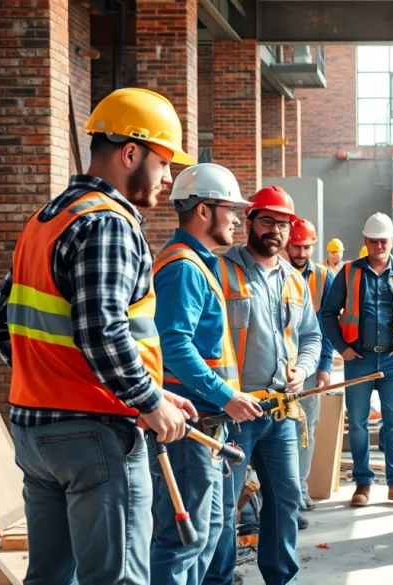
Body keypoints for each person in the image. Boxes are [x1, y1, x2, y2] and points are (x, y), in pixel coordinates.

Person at [0, 87, 198, 585]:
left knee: (50, 577)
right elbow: (102, 329)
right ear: (131, 152)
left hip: (36, 435)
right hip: (96, 437)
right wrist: (148, 401)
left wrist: (63, 381)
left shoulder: (46, 221)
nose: (169, 178)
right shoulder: (109, 224)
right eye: (166, 163)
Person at [149, 163, 262, 584]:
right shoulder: (183, 268)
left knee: (210, 532)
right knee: (183, 540)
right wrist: (226, 395)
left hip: (207, 423)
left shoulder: (198, 263)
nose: (236, 218)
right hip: (189, 424)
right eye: (229, 208)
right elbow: (174, 346)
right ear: (202, 211)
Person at [205, 186, 322, 585]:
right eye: (268, 221)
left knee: (285, 499)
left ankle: (281, 578)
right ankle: (217, 580)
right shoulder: (219, 271)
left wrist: (303, 369)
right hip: (232, 411)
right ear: (250, 221)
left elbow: (311, 336)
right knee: (223, 508)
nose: (276, 230)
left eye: (284, 224)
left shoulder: (294, 280)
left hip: (280, 413)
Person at [320, 212, 393, 508]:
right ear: (365, 241)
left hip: (392, 361)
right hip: (358, 359)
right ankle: (363, 483)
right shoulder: (350, 272)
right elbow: (327, 313)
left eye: (384, 241)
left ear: (392, 241)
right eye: (374, 241)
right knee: (360, 425)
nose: (379, 246)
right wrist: (342, 347)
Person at [285, 218, 336, 515]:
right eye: (296, 246)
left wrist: (324, 367)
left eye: (306, 247)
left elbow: (326, 327)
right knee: (280, 432)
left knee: (306, 430)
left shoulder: (323, 277)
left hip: (310, 364)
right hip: (279, 367)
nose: (301, 252)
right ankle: (283, 490)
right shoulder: (277, 273)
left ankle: (301, 488)